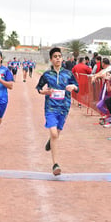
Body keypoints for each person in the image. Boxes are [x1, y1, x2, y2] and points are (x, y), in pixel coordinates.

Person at [36, 47, 79, 175]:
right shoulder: (47, 75)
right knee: (54, 134)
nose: (58, 58)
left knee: (56, 134)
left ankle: (51, 141)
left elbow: (78, 88)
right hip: (50, 107)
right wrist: (45, 91)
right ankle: (55, 165)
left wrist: (73, 86)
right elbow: (38, 88)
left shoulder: (68, 74)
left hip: (64, 107)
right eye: (55, 56)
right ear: (51, 59)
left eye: (59, 56)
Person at [92, 58, 111, 127]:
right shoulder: (106, 70)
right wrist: (95, 76)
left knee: (102, 104)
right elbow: (100, 73)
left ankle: (110, 117)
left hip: (109, 94)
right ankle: (108, 115)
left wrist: (96, 77)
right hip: (106, 92)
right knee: (101, 104)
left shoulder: (109, 70)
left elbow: (102, 75)